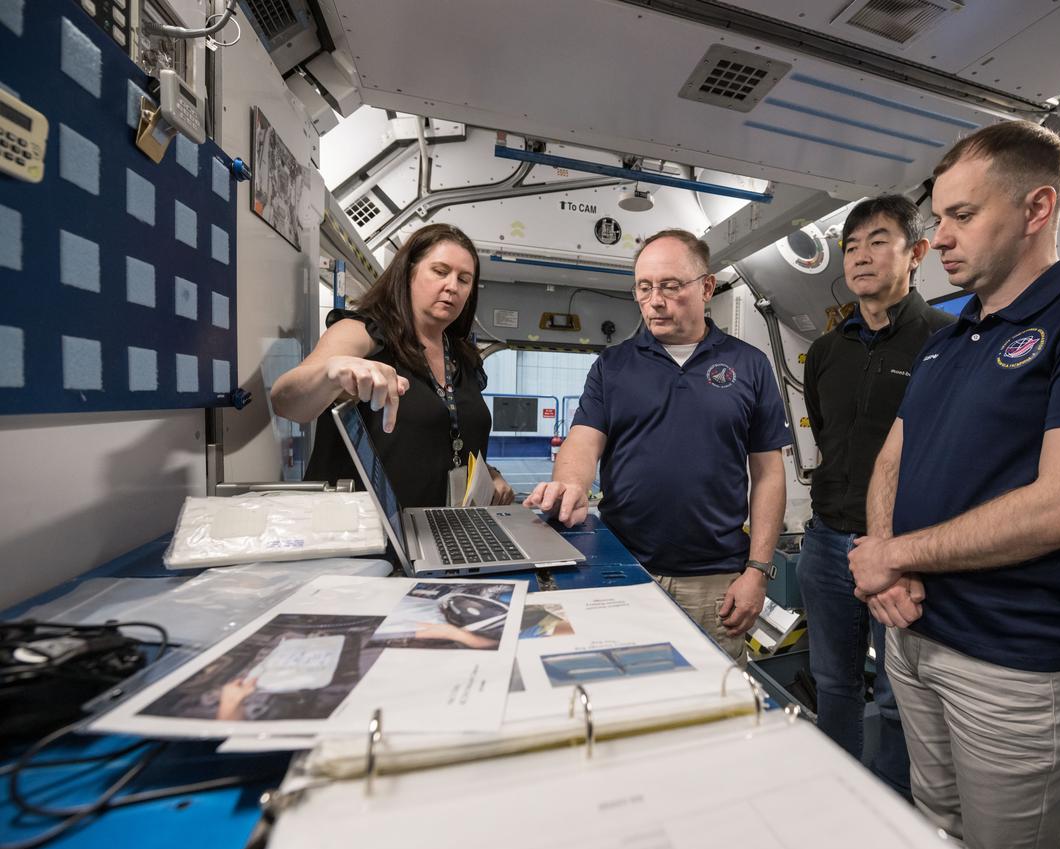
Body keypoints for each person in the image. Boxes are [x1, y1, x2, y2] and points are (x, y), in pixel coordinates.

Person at [850, 120, 1060, 849]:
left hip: (1012, 663)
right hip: (914, 633)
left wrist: (892, 554)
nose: (938, 238)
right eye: (938, 217)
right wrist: (883, 560)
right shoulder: (950, 336)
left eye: (962, 216)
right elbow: (892, 457)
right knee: (933, 823)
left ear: (1037, 209)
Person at [524, 229, 791, 665]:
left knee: (712, 705)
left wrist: (757, 572)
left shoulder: (749, 364)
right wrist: (570, 484)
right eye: (644, 288)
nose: (655, 300)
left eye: (670, 286)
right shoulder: (613, 365)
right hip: (623, 568)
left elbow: (769, 474)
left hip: (715, 581)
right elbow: (584, 440)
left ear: (707, 287)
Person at [798, 195, 952, 795]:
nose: (861, 257)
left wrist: (904, 549)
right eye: (851, 246)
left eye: (878, 241)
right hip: (826, 541)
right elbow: (828, 439)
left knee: (897, 696)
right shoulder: (828, 351)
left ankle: (890, 807)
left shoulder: (946, 340)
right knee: (832, 682)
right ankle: (838, 799)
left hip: (902, 550)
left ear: (915, 253)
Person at [271, 223, 514, 509]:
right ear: (409, 273)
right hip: (364, 533)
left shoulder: (463, 357)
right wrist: (331, 372)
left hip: (439, 530)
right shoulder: (363, 332)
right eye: (439, 271)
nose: (452, 286)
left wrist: (491, 475)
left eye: (464, 279)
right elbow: (286, 402)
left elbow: (451, 441)